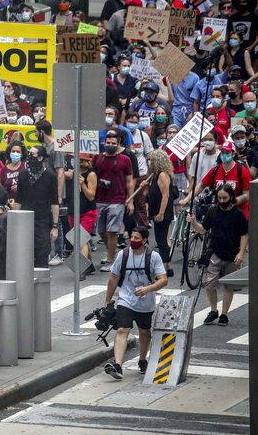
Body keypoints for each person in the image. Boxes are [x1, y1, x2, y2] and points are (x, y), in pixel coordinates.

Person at [101, 226, 167, 379]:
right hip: (126, 298)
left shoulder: (153, 256)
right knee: (122, 329)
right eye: (131, 237)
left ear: (144, 240)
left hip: (146, 301)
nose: (133, 240)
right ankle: (118, 365)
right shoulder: (123, 255)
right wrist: (107, 301)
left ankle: (142, 359)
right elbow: (113, 278)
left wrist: (148, 289)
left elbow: (163, 280)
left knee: (144, 331)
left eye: (137, 238)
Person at [189, 185, 249, 327]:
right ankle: (213, 310)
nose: (222, 201)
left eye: (225, 198)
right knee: (209, 283)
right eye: (220, 198)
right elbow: (203, 229)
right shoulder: (213, 212)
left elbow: (244, 235)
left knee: (229, 286)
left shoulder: (238, 214)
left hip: (232, 254)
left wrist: (241, 252)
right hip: (215, 252)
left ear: (231, 198)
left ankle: (224, 313)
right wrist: (193, 223)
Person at [94, 131, 134, 270]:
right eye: (108, 143)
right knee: (101, 230)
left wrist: (130, 200)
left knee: (112, 231)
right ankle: (112, 250)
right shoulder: (98, 158)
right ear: (104, 143)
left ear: (118, 144)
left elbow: (129, 181)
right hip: (100, 199)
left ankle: (111, 259)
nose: (110, 146)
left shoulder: (125, 160)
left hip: (117, 200)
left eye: (113, 144)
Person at [15, 145, 59, 268]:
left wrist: (55, 226)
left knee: (42, 254)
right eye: (28, 154)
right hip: (24, 219)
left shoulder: (50, 176)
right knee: (24, 254)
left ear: (40, 158)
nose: (29, 157)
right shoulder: (23, 174)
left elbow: (55, 202)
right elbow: (18, 199)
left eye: (32, 155)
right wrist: (13, 220)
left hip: (42, 220)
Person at [145, 150, 176, 277]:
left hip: (162, 211)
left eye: (151, 160)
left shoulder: (163, 175)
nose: (149, 162)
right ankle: (168, 266)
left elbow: (166, 195)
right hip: (156, 210)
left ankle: (165, 266)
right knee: (160, 238)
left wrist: (161, 213)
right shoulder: (154, 175)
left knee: (162, 240)